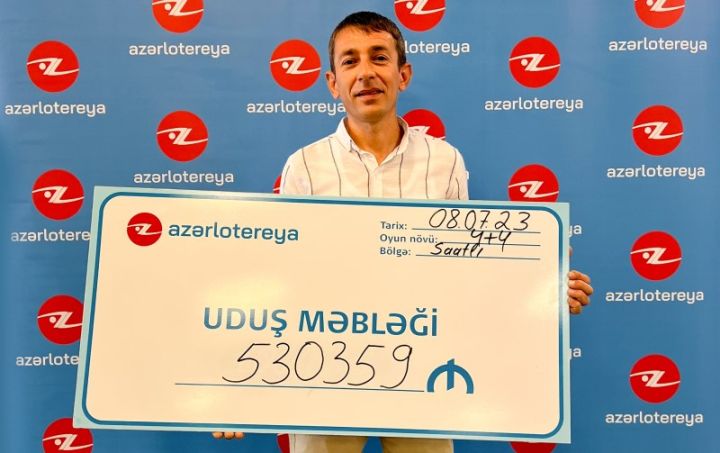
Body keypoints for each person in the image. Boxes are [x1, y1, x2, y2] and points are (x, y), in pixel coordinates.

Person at [217, 10, 593, 452]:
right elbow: (282, 278)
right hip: (324, 371)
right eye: (350, 61)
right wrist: (233, 387)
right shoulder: (304, 166)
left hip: (422, 367)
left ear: (403, 74)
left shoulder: (444, 161)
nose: (365, 72)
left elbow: (467, 268)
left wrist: (540, 290)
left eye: (379, 57)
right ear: (333, 83)